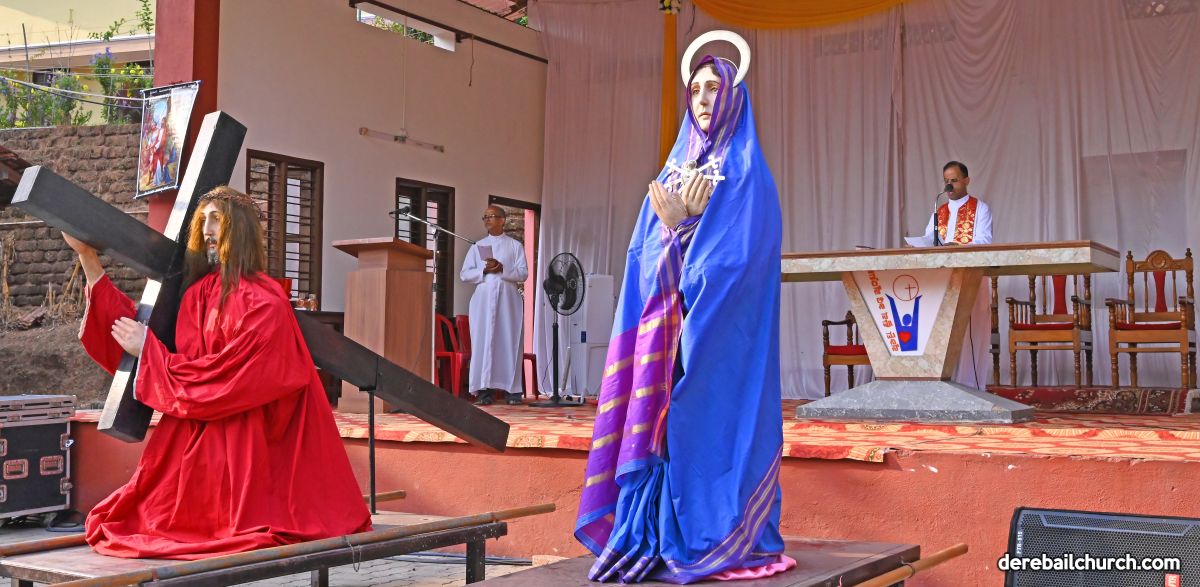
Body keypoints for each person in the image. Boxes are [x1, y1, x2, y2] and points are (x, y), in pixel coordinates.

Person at [574, 31, 795, 583]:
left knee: (704, 423)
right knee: (662, 427)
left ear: (734, 96)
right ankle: (652, 531)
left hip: (719, 341)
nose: (702, 98)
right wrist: (675, 231)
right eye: (695, 89)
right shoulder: (673, 171)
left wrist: (688, 229)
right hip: (664, 336)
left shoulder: (747, 176)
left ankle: (715, 533)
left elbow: (739, 266)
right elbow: (641, 259)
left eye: (713, 87)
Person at [64, 186, 372, 559]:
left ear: (239, 229)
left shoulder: (264, 302)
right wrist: (88, 259)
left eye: (217, 219)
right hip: (197, 430)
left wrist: (149, 352)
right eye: (203, 220)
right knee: (137, 516)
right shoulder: (197, 293)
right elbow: (146, 335)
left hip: (248, 439)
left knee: (173, 523)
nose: (207, 229)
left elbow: (232, 379)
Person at [921, 160, 993, 387]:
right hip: (943, 281)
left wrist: (960, 246)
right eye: (946, 181)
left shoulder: (980, 208)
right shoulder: (939, 211)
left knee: (971, 333)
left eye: (954, 180)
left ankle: (972, 386)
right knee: (944, 333)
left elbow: (985, 241)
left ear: (966, 181)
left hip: (971, 277)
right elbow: (929, 239)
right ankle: (944, 385)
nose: (949, 185)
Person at [459, 205, 529, 405]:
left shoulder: (515, 246)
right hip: (482, 301)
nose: (487, 220)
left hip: (508, 301)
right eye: (485, 217)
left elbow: (523, 273)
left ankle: (512, 391)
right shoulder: (477, 246)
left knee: (509, 341)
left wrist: (502, 269)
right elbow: (464, 274)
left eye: (492, 216)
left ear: (502, 220)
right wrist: (484, 270)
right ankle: (484, 391)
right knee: (483, 342)